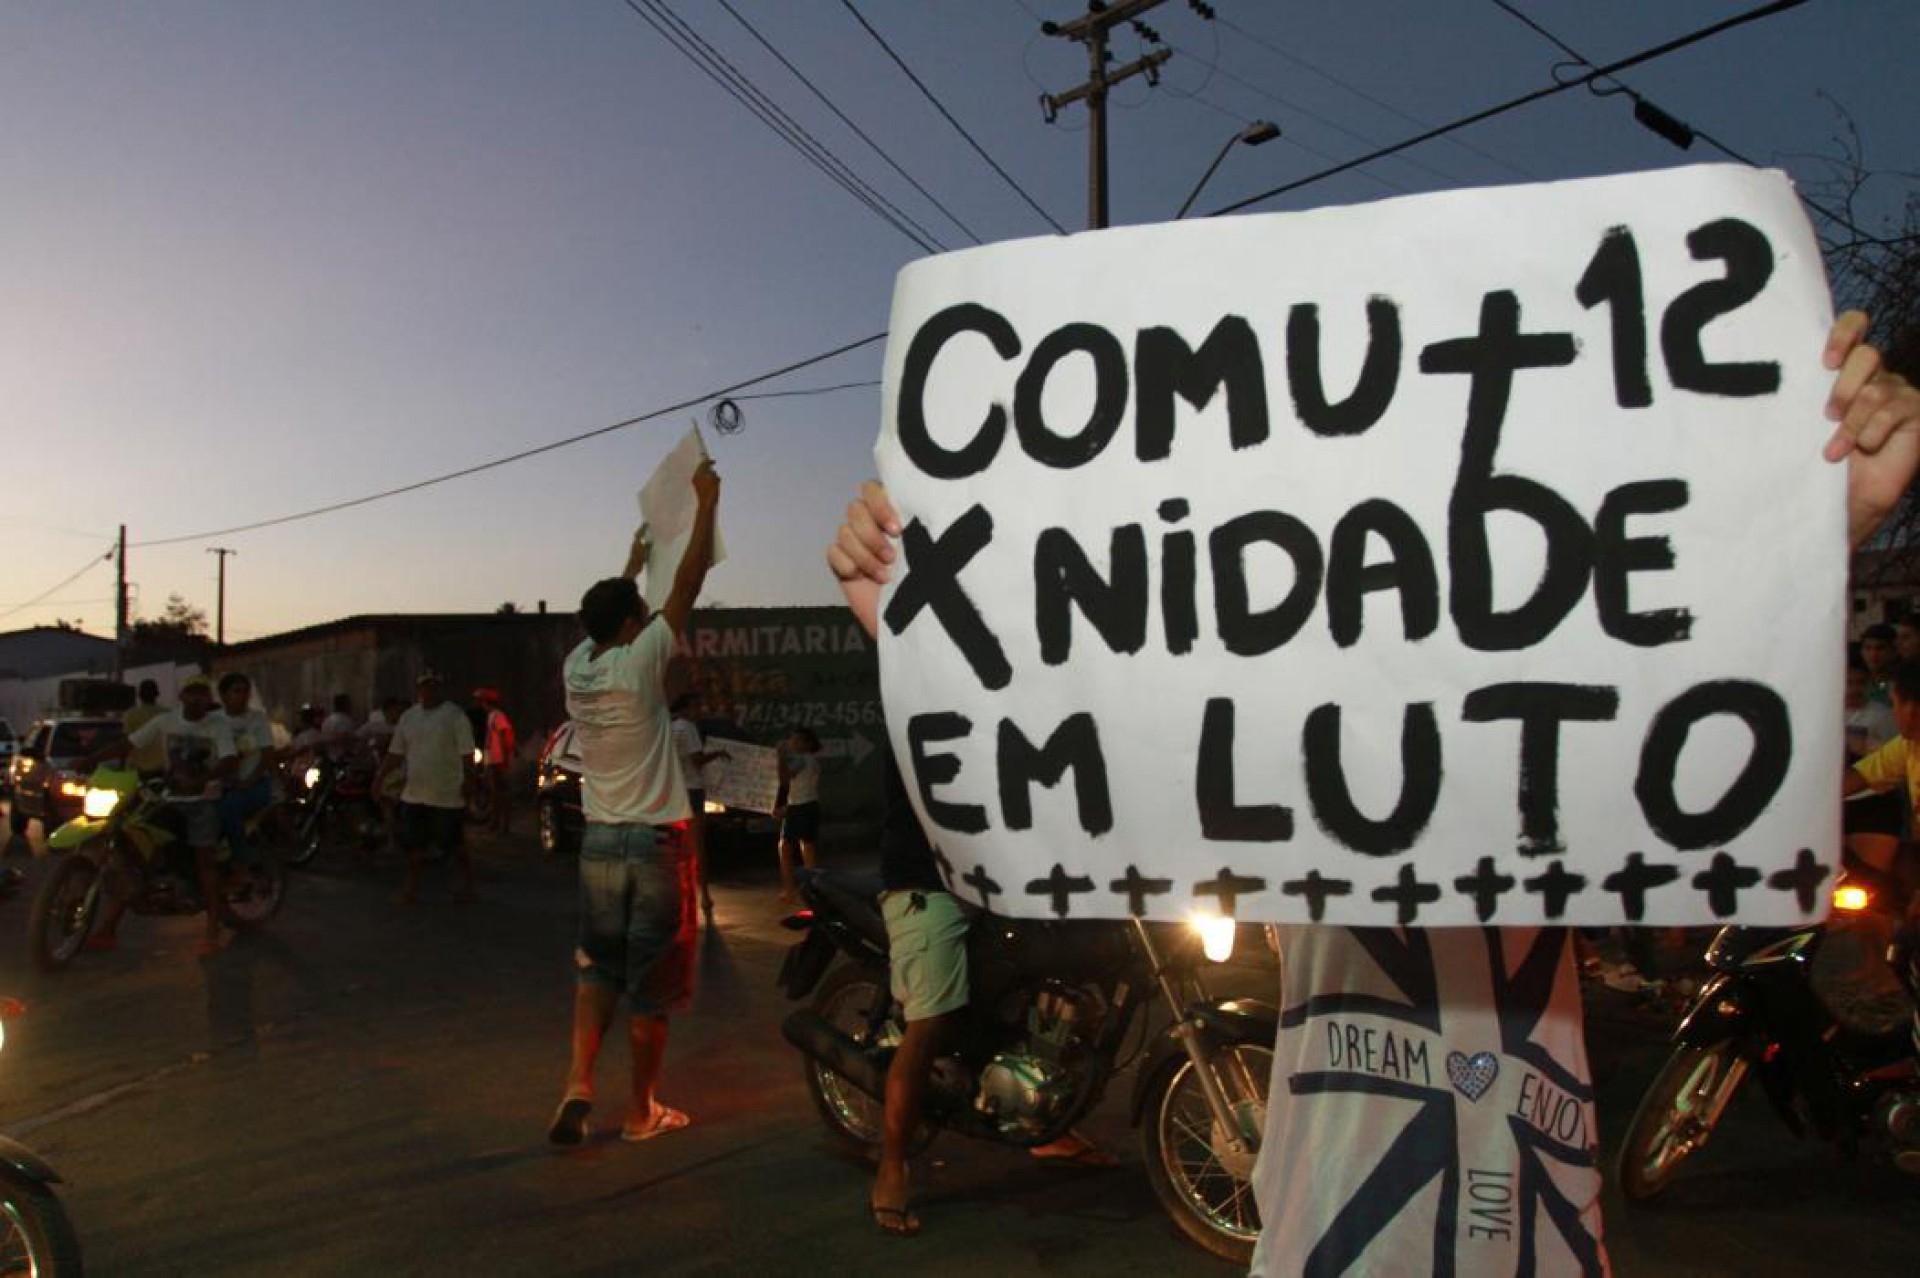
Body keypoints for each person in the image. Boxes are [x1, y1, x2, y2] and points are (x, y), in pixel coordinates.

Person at [828, 484, 1121, 1238]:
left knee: (1052, 987)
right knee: (929, 1023)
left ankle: (1040, 1115)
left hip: (1003, 875)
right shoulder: (914, 684)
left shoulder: (1014, 685)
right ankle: (893, 1166)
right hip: (925, 882)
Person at [547, 458, 718, 1148]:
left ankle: (578, 1084)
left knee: (597, 970)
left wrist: (634, 556)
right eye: (639, 614)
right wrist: (706, 503)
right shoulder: (641, 659)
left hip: (599, 844)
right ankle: (643, 1110)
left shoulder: (578, 666)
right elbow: (690, 583)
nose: (650, 616)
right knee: (652, 987)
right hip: (653, 845)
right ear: (630, 626)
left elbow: (613, 610)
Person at [82, 673, 238, 957]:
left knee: (205, 863)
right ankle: (107, 929)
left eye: (202, 693)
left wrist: (203, 779)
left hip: (203, 802)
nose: (197, 698)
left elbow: (229, 760)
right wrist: (91, 759)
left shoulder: (219, 725)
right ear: (181, 697)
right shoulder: (165, 721)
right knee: (133, 853)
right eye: (192, 692)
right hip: (165, 798)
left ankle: (212, 931)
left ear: (209, 698)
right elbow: (128, 744)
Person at [375, 672, 477, 904]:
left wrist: (469, 782)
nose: (429, 691)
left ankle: (468, 883)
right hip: (415, 793)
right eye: (424, 686)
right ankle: (412, 889)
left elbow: (467, 754)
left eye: (433, 686)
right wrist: (379, 778)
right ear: (418, 690)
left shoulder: (455, 716)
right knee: (414, 844)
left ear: (440, 688)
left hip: (447, 794)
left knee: (454, 842)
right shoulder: (409, 718)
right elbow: (395, 753)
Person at [668, 693, 730, 921]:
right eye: (696, 705)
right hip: (692, 789)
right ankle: (703, 894)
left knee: (677, 845)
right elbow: (697, 760)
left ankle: (679, 894)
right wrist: (718, 753)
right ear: (687, 707)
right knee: (697, 846)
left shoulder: (669, 729)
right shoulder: (689, 728)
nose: (699, 710)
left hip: (673, 791)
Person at [1845, 653, 1904, 872]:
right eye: (1847, 682)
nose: (1853, 689)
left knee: (1870, 880)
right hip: (1837, 805)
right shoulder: (1819, 715)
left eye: (1859, 682)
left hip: (1874, 805)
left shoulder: (1884, 717)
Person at [775, 726, 822, 903]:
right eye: (791, 740)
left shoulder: (802, 760)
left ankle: (789, 890)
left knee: (785, 847)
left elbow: (784, 778)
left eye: (796, 740)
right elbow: (805, 789)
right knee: (808, 848)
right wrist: (786, 807)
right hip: (810, 805)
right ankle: (814, 890)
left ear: (807, 744)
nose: (791, 743)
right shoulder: (812, 761)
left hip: (800, 808)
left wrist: (780, 757)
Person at [360, 694, 407, 850]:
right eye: (395, 711)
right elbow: (357, 736)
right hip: (382, 770)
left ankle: (391, 840)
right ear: (386, 711)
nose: (398, 714)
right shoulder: (375, 726)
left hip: (399, 771)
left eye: (399, 711)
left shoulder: (404, 727)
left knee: (388, 804)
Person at [478, 689, 517, 836]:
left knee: (500, 791)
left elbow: (505, 734)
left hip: (498, 760)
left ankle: (502, 823)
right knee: (495, 792)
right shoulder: (492, 716)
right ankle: (496, 822)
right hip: (494, 759)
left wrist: (505, 757)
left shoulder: (498, 716)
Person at [122, 678, 167, 778]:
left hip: (137, 769)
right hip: (161, 769)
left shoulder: (130, 714)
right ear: (157, 694)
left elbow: (126, 742)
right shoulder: (166, 714)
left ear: (140, 695)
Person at [1862, 621, 1899, 705]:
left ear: (1894, 651)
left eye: (1880, 648)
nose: (1873, 654)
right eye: (1868, 648)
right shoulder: (1858, 682)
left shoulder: (1902, 684)